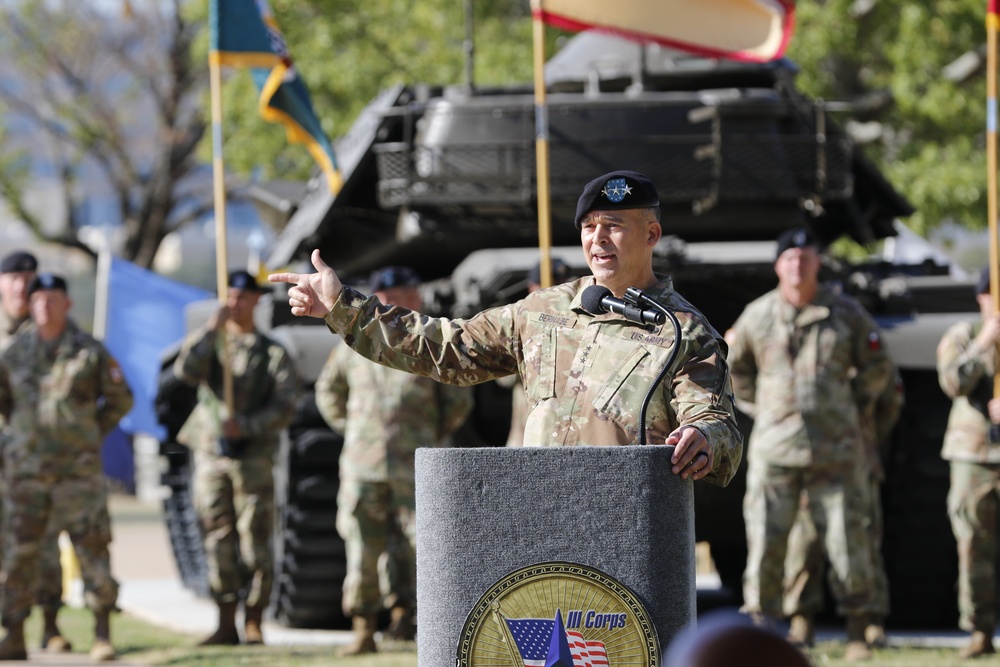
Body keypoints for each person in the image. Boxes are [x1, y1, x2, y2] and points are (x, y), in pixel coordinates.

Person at [270, 169, 742, 482]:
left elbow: (716, 422)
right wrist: (343, 306)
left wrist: (702, 440)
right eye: (588, 227)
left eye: (614, 225)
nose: (598, 239)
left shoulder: (682, 330)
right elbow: (446, 347)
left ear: (651, 235)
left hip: (628, 516)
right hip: (535, 509)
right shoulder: (542, 311)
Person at [726, 227, 893, 661]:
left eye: (805, 257)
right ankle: (763, 625)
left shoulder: (847, 313)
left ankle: (859, 628)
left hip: (836, 451)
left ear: (817, 263)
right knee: (766, 540)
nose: (797, 264)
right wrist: (757, 405)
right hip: (776, 450)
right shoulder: (758, 315)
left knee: (846, 540)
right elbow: (734, 367)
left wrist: (850, 406)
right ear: (778, 266)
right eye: (789, 258)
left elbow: (878, 366)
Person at [314, 265, 473, 654]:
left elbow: (457, 399)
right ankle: (364, 627)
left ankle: (424, 623)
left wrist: (428, 434)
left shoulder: (430, 344)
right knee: (363, 549)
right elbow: (328, 394)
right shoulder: (352, 346)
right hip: (362, 466)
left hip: (415, 464)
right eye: (395, 296)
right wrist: (355, 431)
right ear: (381, 300)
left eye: (409, 295)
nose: (404, 302)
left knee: (426, 546)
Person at [0, 273, 133, 662]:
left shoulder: (89, 351)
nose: (43, 305)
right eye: (37, 298)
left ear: (67, 304)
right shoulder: (13, 352)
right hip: (27, 476)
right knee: (20, 555)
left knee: (92, 551)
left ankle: (102, 633)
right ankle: (14, 633)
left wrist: (89, 433)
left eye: (52, 298)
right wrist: (21, 439)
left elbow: (120, 399)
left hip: (78, 474)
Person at [174, 270, 299, 646]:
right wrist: (213, 329)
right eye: (230, 296)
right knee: (217, 535)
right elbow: (186, 371)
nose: (236, 303)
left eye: (244, 297)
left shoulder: (272, 353)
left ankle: (254, 618)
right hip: (212, 454)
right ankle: (225, 618)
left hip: (253, 457)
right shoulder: (213, 344)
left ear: (256, 301)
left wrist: (245, 425)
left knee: (255, 537)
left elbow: (286, 405)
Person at [782, 368, 904, 648]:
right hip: (808, 461)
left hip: (856, 465)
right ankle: (801, 619)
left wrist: (866, 441)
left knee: (863, 545)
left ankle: (871, 621)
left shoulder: (864, 356)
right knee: (803, 544)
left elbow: (891, 402)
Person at [0, 251, 74, 652]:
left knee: (42, 543)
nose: (21, 285)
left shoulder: (48, 332)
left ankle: (50, 622)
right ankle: (10, 626)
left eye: (28, 277)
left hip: (32, 460)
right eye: (12, 277)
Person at [937, 266, 1000, 658]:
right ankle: (979, 629)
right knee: (973, 545)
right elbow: (953, 382)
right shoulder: (963, 335)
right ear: (981, 297)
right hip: (973, 455)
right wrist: (985, 342)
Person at [498, 258, 571, 447]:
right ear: (532, 287)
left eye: (561, 284)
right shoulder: (523, 324)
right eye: (551, 284)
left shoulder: (576, 324)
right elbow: (502, 376)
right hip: (526, 430)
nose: (556, 291)